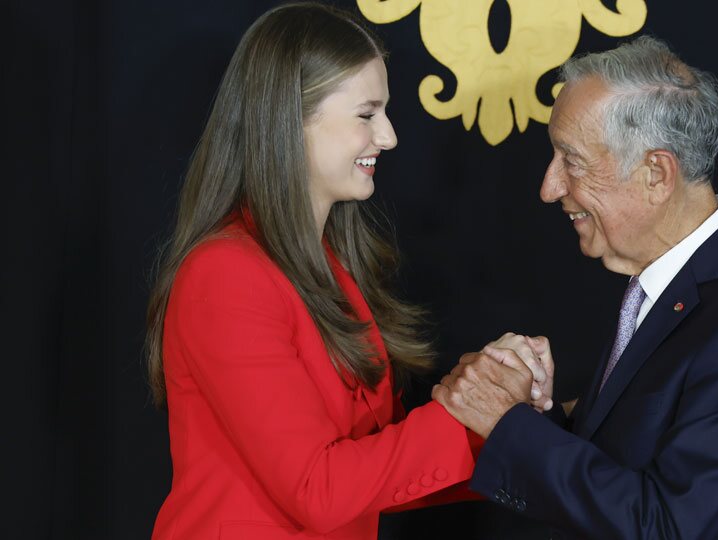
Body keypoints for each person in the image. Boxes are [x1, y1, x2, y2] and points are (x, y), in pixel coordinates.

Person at [145, 3, 547, 539]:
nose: (389, 136)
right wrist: (471, 407)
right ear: (290, 118)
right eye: (367, 114)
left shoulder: (329, 268)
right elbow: (321, 489)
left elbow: (377, 471)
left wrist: (505, 419)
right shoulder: (225, 274)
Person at [434, 36, 718, 539]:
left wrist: (508, 424)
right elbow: (626, 463)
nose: (549, 187)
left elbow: (665, 526)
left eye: (571, 160)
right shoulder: (666, 278)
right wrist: (540, 416)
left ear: (655, 173)